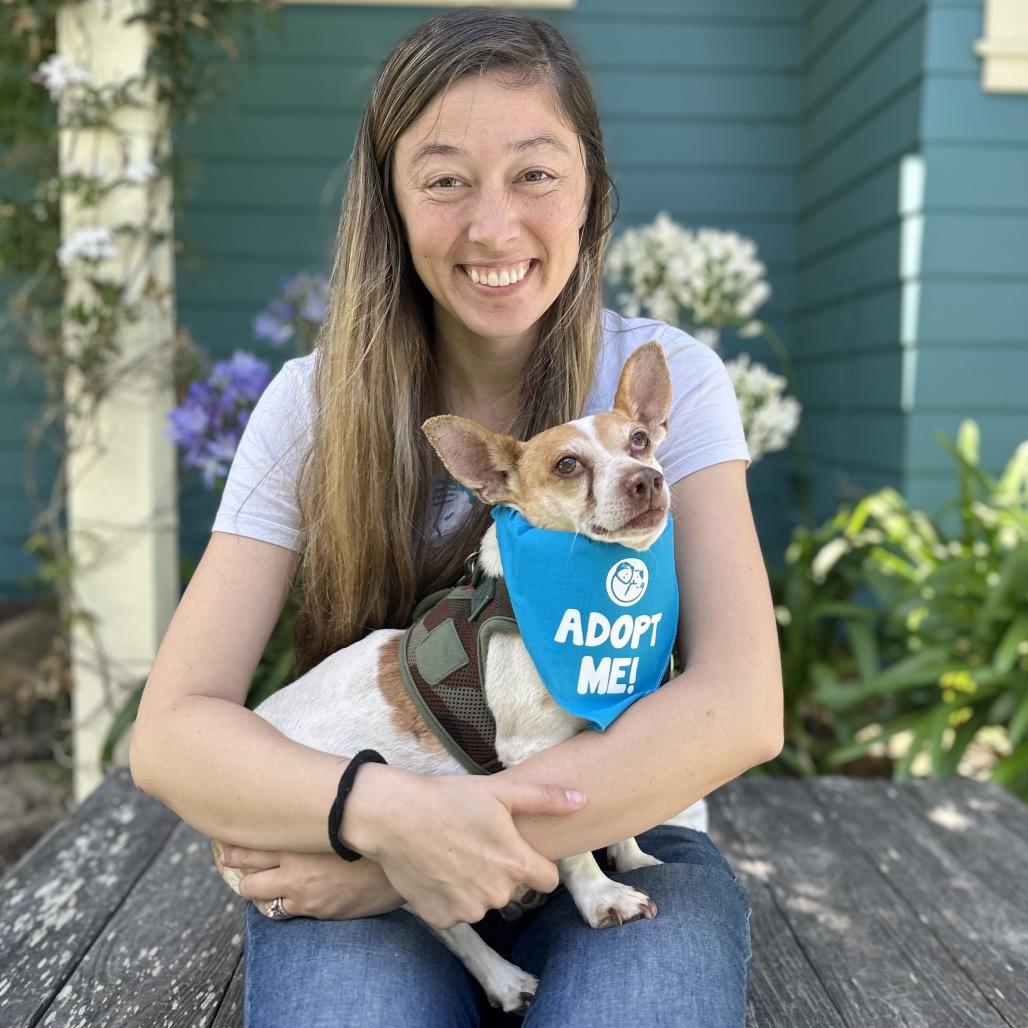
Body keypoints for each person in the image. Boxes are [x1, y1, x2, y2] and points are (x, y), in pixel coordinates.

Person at [130, 8, 782, 1027]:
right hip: (360, 843)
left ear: (590, 194)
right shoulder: (315, 405)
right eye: (443, 179)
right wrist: (377, 822)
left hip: (617, 834)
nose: (491, 225)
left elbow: (740, 704)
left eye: (533, 172)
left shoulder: (666, 383)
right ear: (388, 203)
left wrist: (411, 862)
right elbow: (171, 734)